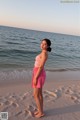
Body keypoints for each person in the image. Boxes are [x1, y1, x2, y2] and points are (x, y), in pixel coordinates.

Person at [32, 38, 52, 118]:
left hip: (39, 74)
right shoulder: (43, 52)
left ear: (47, 46)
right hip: (37, 72)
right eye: (42, 43)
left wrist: (35, 78)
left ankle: (41, 113)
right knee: (39, 94)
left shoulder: (44, 54)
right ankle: (41, 111)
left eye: (45, 44)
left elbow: (40, 67)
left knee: (36, 94)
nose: (42, 45)